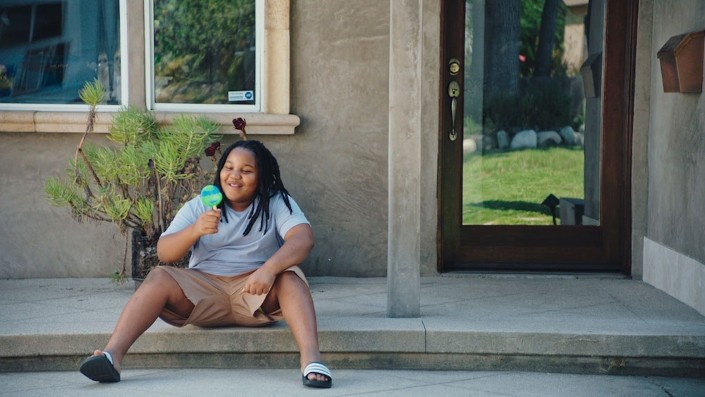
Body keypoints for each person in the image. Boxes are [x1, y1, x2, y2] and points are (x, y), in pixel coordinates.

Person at [79, 140, 332, 389]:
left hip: (256, 294)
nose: (234, 176)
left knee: (290, 276)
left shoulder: (276, 202)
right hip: (203, 295)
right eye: (228, 167)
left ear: (262, 177)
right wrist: (195, 230)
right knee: (158, 276)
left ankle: (311, 361)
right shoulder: (201, 204)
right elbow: (164, 252)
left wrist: (269, 270)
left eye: (246, 171)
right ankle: (111, 357)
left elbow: (303, 238)